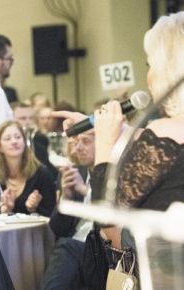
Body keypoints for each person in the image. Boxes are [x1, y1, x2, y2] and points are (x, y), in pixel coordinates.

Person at [53, 12, 184, 288]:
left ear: (168, 69)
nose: (148, 75)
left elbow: (107, 222)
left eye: (150, 64)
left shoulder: (164, 130)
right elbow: (165, 152)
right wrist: (114, 131)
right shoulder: (164, 135)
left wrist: (103, 144)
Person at [42, 129, 96, 289]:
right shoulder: (75, 172)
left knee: (65, 248)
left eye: (85, 142)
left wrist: (85, 191)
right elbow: (57, 228)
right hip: (77, 247)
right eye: (76, 142)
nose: (77, 148)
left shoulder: (116, 173)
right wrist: (66, 197)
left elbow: (116, 211)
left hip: (101, 249)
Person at [0, 120, 56, 216]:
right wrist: (5, 210)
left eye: (18, 137)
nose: (14, 142)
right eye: (7, 139)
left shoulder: (42, 174)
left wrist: (33, 208)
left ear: (24, 142)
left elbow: (52, 215)